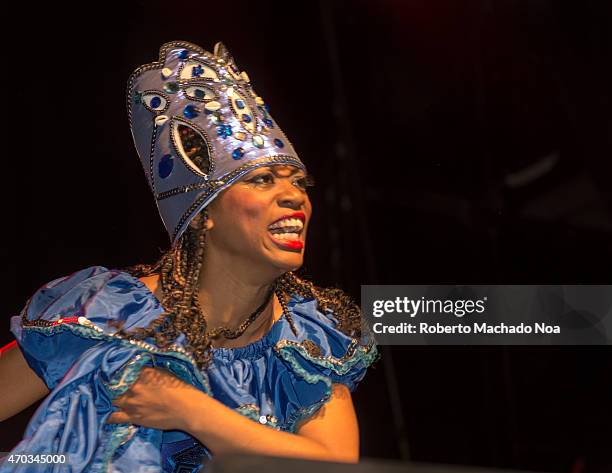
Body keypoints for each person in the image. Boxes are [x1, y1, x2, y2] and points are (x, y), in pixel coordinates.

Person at [0, 41, 378, 472]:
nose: (294, 196)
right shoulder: (112, 316)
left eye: (299, 183)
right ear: (204, 215)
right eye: (263, 179)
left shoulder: (306, 338)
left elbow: (332, 465)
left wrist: (189, 411)